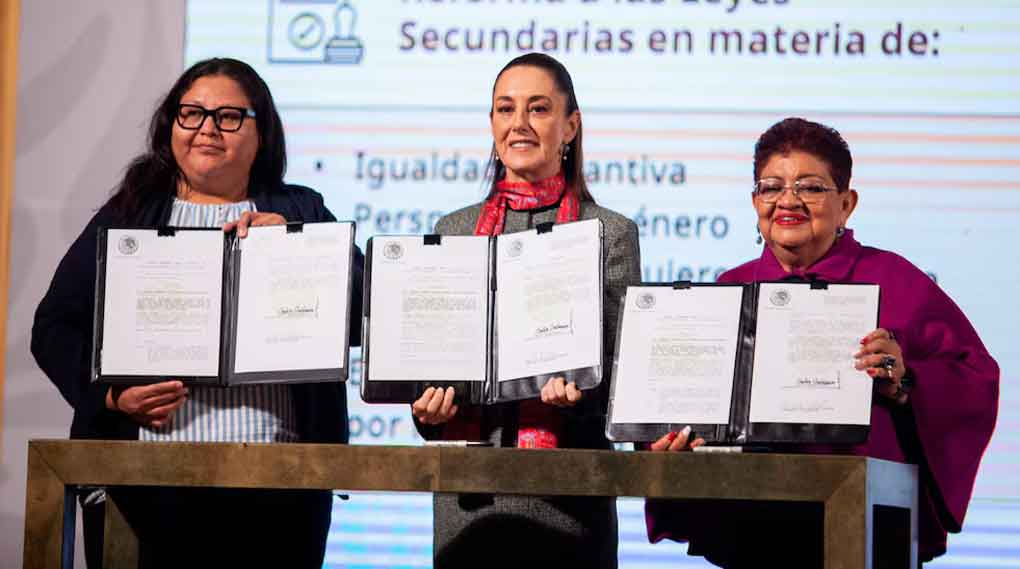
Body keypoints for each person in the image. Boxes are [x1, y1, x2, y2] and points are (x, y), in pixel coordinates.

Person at [30, 57, 363, 569]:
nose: (207, 128)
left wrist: (301, 247)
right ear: (172, 127)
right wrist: (114, 397)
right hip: (144, 484)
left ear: (262, 133)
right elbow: (54, 326)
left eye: (228, 116)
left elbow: (366, 312)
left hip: (278, 485)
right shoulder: (130, 214)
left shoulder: (301, 211)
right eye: (192, 114)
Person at [644, 117, 999, 567]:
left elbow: (975, 380)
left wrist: (907, 382)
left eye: (810, 188)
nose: (787, 200)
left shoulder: (896, 281)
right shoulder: (728, 289)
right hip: (748, 521)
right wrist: (675, 435)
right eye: (771, 187)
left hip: (863, 522)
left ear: (847, 203)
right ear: (755, 201)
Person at [409, 53, 641, 568]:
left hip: (569, 504)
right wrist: (426, 409)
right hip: (468, 506)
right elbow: (433, 365)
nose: (519, 124)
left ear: (570, 126)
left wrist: (579, 399)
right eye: (504, 109)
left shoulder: (611, 233)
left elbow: (626, 383)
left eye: (538, 109)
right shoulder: (454, 229)